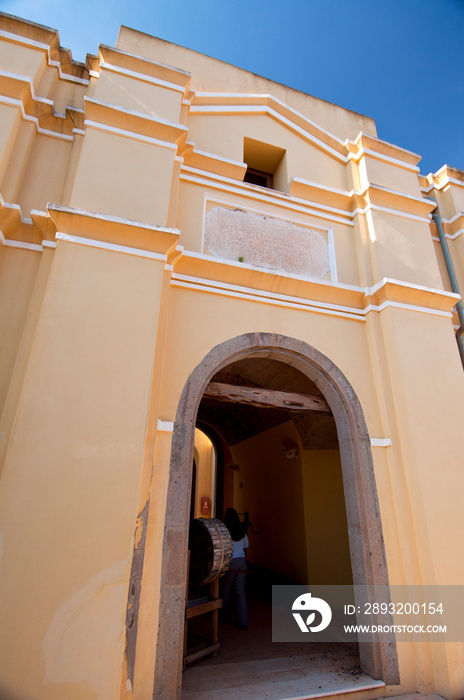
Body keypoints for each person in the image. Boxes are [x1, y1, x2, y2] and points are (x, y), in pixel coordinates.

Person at [222, 507, 249, 630]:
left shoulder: (225, 531)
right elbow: (247, 545)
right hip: (242, 562)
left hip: (231, 563)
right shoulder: (242, 531)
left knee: (226, 589)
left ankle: (222, 616)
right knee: (240, 591)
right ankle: (243, 621)